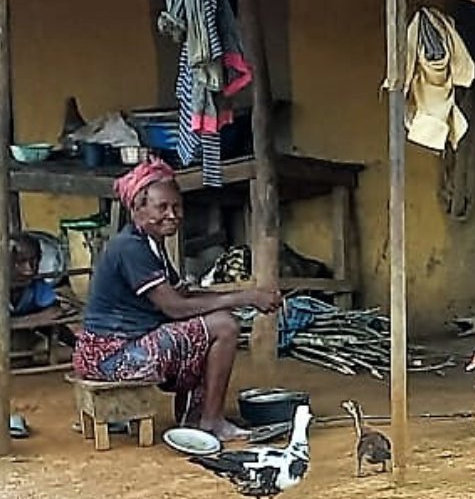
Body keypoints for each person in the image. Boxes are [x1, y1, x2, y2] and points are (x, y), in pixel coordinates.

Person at [72, 158, 281, 440]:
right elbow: (176, 307)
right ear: (137, 208)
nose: (172, 215)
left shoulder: (150, 244)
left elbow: (183, 294)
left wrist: (246, 297)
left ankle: (196, 416)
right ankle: (211, 421)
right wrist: (245, 296)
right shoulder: (130, 248)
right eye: (162, 207)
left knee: (212, 324)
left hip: (120, 348)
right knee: (224, 326)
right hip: (110, 356)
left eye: (177, 206)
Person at [10, 233, 60, 326]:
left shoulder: (38, 287)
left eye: (34, 260)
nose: (29, 270)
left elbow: (57, 306)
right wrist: (35, 319)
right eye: (21, 261)